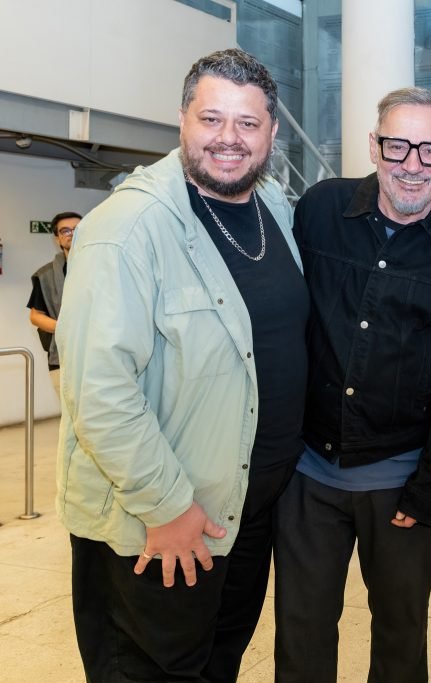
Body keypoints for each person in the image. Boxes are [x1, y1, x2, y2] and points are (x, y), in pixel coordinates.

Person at [55, 48, 307, 682]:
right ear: (182, 121)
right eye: (211, 118)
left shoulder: (272, 208)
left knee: (214, 665)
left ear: (272, 133)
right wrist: (166, 507)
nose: (228, 139)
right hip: (160, 526)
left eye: (248, 124)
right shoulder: (127, 228)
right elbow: (100, 393)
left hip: (242, 513)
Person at [274, 86, 431, 683]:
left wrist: (430, 490)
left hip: (400, 484)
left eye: (430, 151)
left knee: (400, 642)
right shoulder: (320, 210)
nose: (412, 164)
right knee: (301, 634)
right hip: (306, 477)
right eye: (398, 145)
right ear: (374, 146)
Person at [27, 211, 80, 396]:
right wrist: (66, 328)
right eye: (65, 231)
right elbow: (35, 316)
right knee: (69, 415)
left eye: (77, 229)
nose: (71, 234)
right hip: (61, 358)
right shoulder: (45, 275)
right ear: (57, 238)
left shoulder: (105, 268)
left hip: (101, 354)